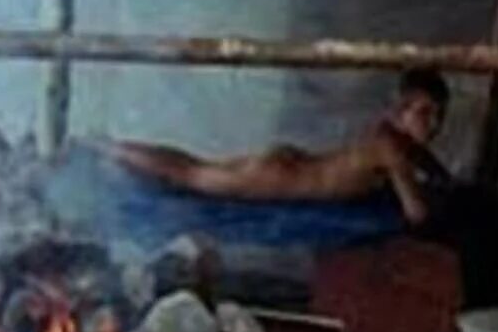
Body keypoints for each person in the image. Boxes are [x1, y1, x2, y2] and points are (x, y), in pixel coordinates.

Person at [98, 68, 452, 226]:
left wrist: (441, 179)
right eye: (424, 113)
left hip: (290, 167)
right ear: (399, 112)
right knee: (193, 174)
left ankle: (113, 148)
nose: (433, 124)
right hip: (281, 179)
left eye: (439, 115)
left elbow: (433, 168)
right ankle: (109, 148)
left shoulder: (393, 139)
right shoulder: (389, 147)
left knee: (198, 168)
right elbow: (416, 214)